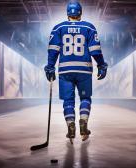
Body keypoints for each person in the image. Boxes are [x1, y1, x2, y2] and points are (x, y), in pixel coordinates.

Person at [44, 0, 108, 141]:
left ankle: (71, 125)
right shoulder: (89, 27)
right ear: (80, 13)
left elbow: (53, 50)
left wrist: (50, 67)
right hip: (84, 70)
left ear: (67, 14)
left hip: (65, 71)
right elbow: (95, 50)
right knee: (85, 98)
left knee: (68, 100)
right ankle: (83, 123)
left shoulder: (58, 28)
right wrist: (101, 65)